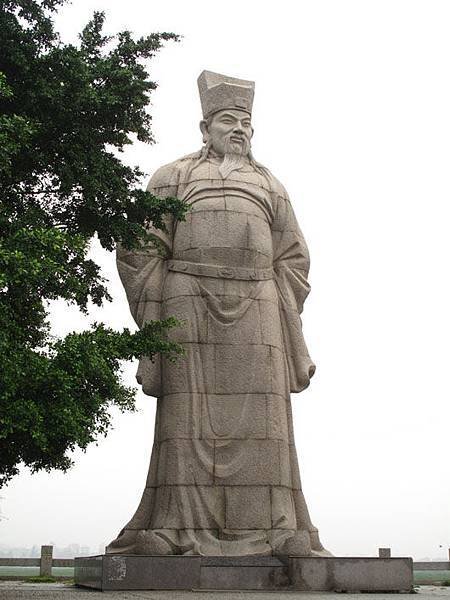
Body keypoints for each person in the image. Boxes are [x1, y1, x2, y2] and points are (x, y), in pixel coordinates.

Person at [107, 71, 329, 556]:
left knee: (266, 420)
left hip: (259, 308)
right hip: (188, 301)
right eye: (228, 121)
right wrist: (162, 302)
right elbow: (139, 246)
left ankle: (279, 528)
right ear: (204, 127)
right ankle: (172, 527)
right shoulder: (173, 175)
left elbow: (294, 255)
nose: (239, 130)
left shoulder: (270, 184)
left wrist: (278, 298)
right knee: (185, 418)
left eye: (246, 123)